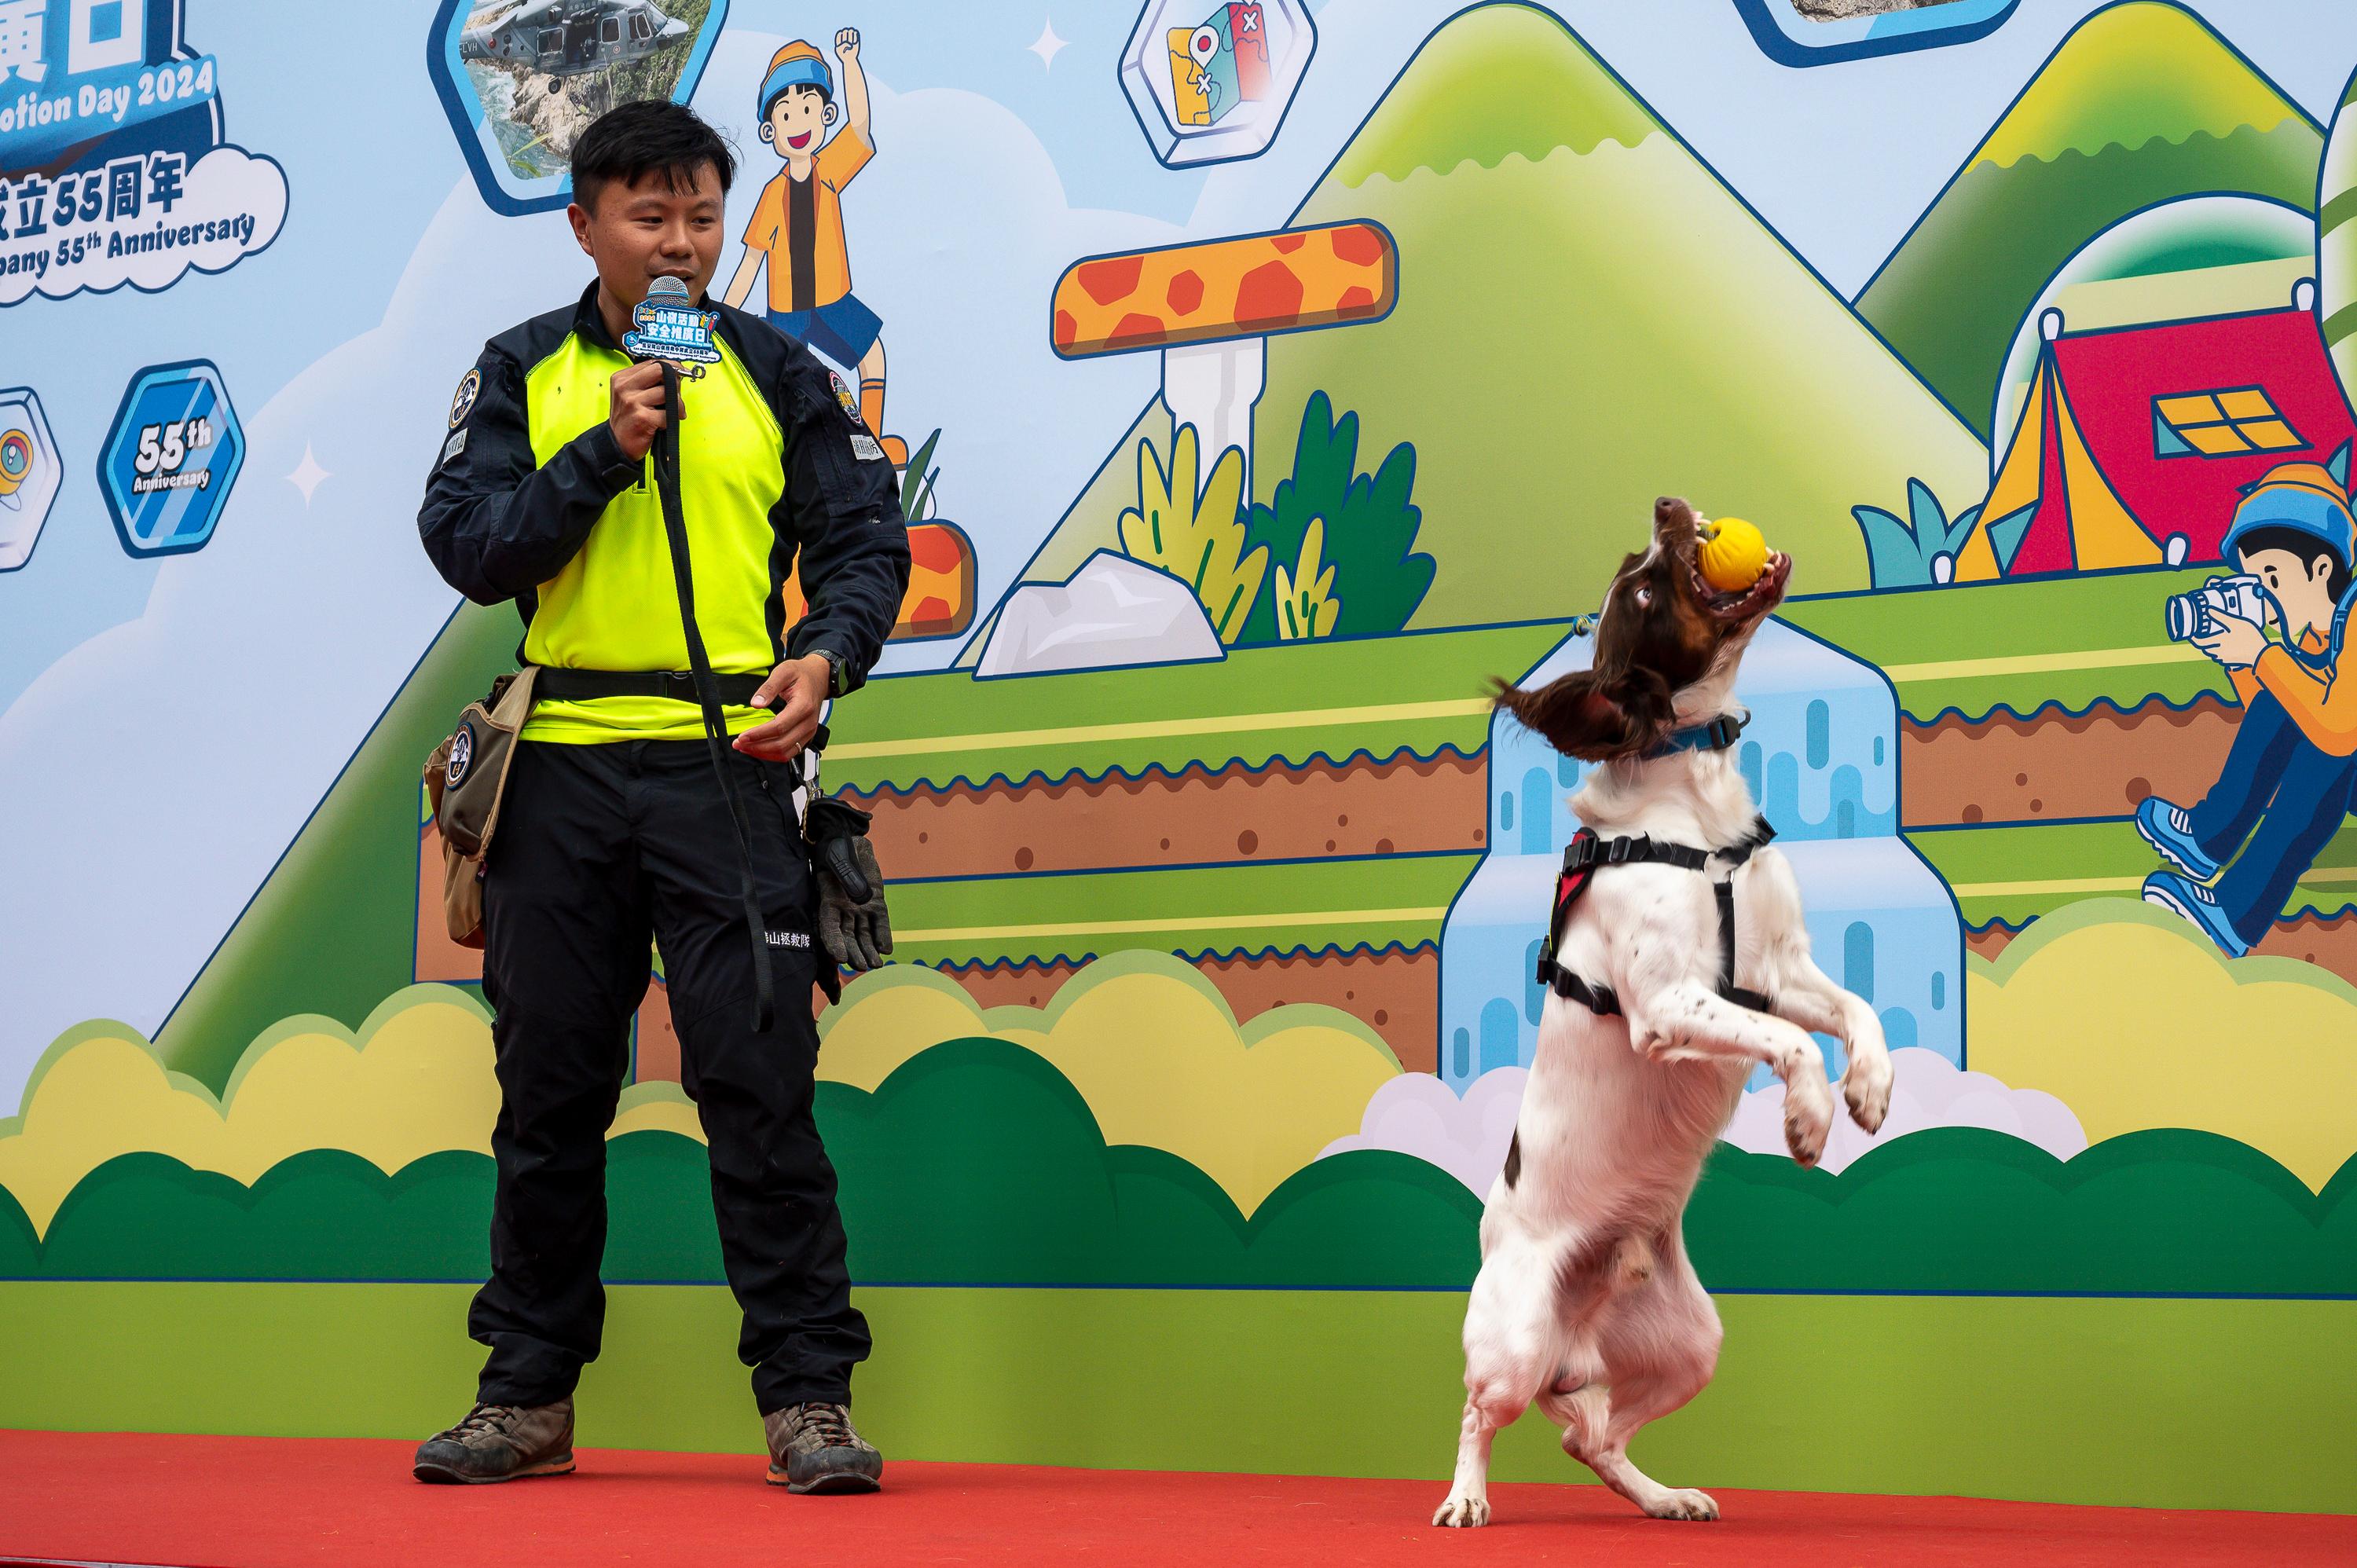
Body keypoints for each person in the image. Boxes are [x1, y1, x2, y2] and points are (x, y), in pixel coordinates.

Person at [411, 99, 911, 1492]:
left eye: (700, 214)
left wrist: (828, 651)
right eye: (650, 216)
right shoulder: (525, 371)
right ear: (586, 226)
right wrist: (602, 452)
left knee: (759, 1083)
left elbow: (866, 537)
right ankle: (528, 1397)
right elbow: (468, 542)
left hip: (731, 768)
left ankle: (809, 1400)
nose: (680, 241)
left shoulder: (775, 369)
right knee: (551, 1089)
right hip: (559, 772)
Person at [2139, 460, 2357, 957]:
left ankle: (2234, 912)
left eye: (2273, 580)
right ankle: (2208, 841)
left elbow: (2340, 729)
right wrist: (2240, 661)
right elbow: (2276, 717)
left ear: (2322, 569)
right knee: (2288, 711)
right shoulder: (2312, 636)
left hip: (2344, 750)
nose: (2265, 597)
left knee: (2324, 762)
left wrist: (2262, 653)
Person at [720, 30, 900, 463]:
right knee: (778, 385)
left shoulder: (830, 171)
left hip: (834, 300)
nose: (797, 122)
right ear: (771, 130)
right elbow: (751, 261)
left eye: (807, 109)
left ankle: (868, 446)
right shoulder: (771, 194)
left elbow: (860, 126)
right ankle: (781, 457)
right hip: (788, 312)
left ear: (825, 115)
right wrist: (721, 315)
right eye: (785, 115)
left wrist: (849, 63)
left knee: (872, 357)